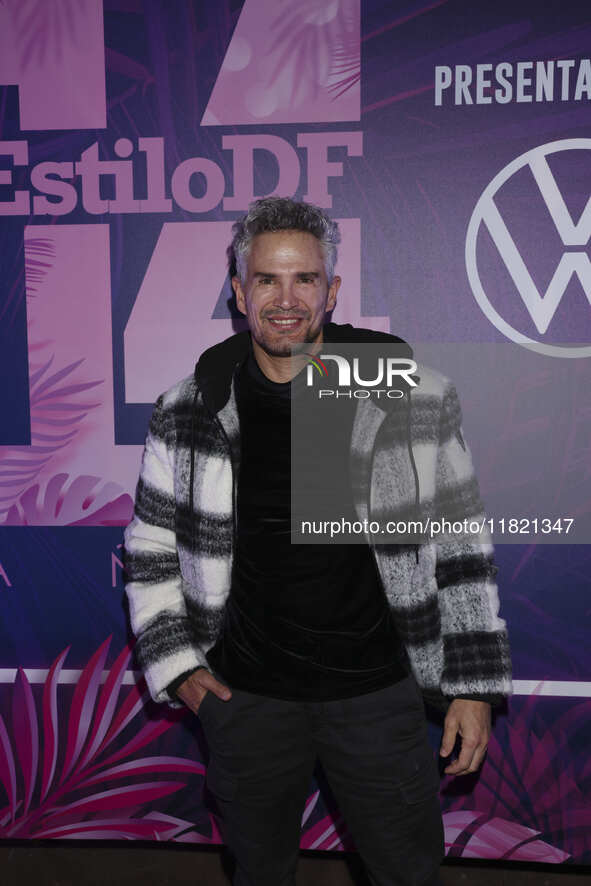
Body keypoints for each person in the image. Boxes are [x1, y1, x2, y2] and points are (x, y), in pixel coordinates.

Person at [123, 197, 512, 886]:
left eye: (304, 279)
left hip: (375, 696)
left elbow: (460, 542)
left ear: (331, 291)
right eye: (266, 280)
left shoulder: (405, 395)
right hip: (244, 701)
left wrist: (473, 685)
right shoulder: (189, 407)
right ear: (239, 293)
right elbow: (152, 545)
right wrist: (178, 669)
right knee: (258, 874)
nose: (285, 299)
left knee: (407, 874)